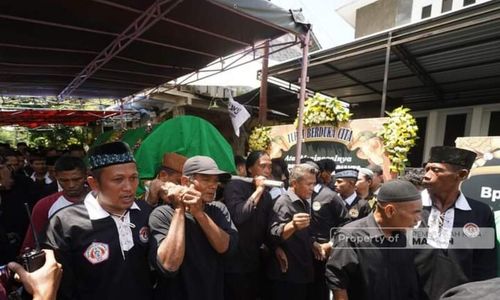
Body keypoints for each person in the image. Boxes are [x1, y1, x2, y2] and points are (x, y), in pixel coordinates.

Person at [43, 141, 153, 300]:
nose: (128, 187)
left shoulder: (145, 212)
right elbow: (58, 284)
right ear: (94, 183)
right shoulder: (66, 222)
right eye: (118, 179)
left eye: (133, 178)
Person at [149, 156, 238, 300]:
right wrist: (179, 209)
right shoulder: (162, 214)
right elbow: (169, 266)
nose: (213, 186)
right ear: (185, 181)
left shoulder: (219, 210)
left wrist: (198, 213)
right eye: (206, 179)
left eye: (215, 181)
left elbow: (225, 248)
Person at [416, 146, 497, 299]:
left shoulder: (480, 213)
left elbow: (486, 265)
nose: (427, 175)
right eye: (427, 169)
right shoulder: (409, 207)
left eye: (436, 170)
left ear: (461, 174)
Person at [326, 179, 423, 300]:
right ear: (390, 211)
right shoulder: (350, 237)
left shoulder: (406, 237)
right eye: (415, 213)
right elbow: (338, 283)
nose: (418, 219)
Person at [223, 151, 274, 300]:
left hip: (254, 263)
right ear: (250, 169)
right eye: (262, 166)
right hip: (234, 264)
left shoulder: (267, 195)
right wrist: (258, 190)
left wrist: (276, 248)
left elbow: (266, 227)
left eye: (269, 167)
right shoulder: (235, 186)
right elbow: (239, 216)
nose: (267, 170)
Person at [268, 163, 317, 300]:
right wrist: (292, 225)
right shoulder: (283, 202)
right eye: (309, 184)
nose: (312, 188)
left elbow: (304, 234)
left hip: (301, 272)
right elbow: (273, 234)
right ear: (295, 183)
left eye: (314, 184)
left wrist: (313, 243)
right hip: (287, 276)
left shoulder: (304, 202)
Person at [21, 156, 89, 251]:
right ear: (56, 177)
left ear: (86, 175)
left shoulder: (103, 199)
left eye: (77, 179)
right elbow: (31, 245)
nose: (71, 185)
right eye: (64, 180)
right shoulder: (45, 206)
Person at [309, 160, 348, 300]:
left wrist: (331, 244)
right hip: (302, 254)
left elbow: (345, 223)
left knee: (319, 292)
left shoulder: (330, 196)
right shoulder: (298, 194)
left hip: (322, 254)